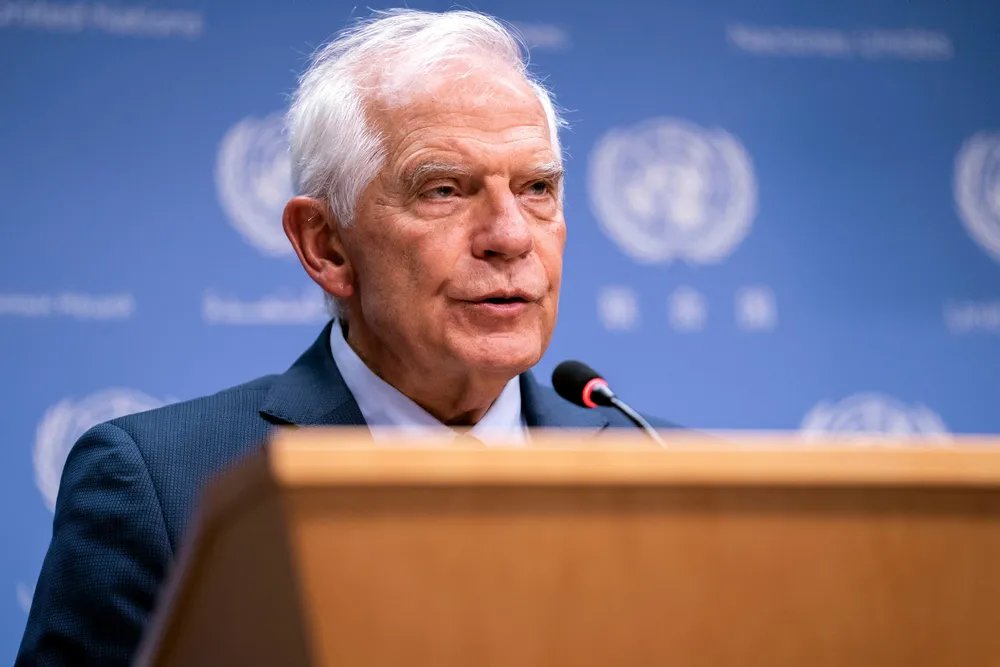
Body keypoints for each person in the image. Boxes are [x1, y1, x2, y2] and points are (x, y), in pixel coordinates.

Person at [16, 9, 671, 666]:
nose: (510, 235)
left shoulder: (668, 473)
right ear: (326, 244)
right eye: (444, 189)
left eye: (537, 188)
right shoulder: (164, 488)